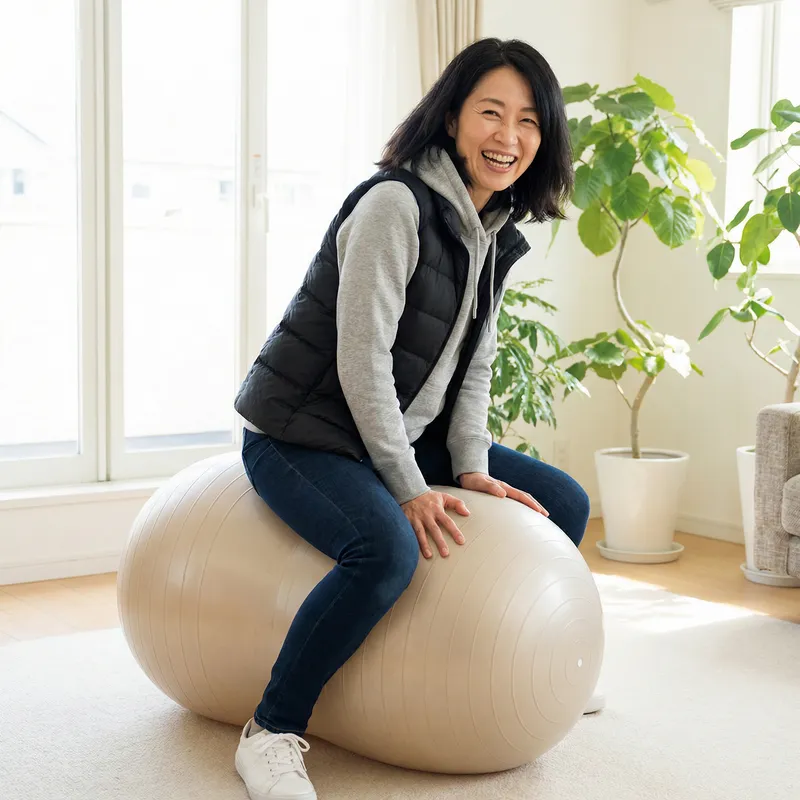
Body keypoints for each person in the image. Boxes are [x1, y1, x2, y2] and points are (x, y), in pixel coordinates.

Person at [233, 37, 597, 800]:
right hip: (305, 429)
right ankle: (270, 729)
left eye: (529, 121)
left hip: (404, 427)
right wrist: (407, 486)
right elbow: (360, 361)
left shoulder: (493, 228)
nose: (508, 136)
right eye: (491, 113)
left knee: (563, 502)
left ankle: (523, 661)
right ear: (452, 117)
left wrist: (470, 467)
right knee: (383, 550)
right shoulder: (393, 205)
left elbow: (476, 367)